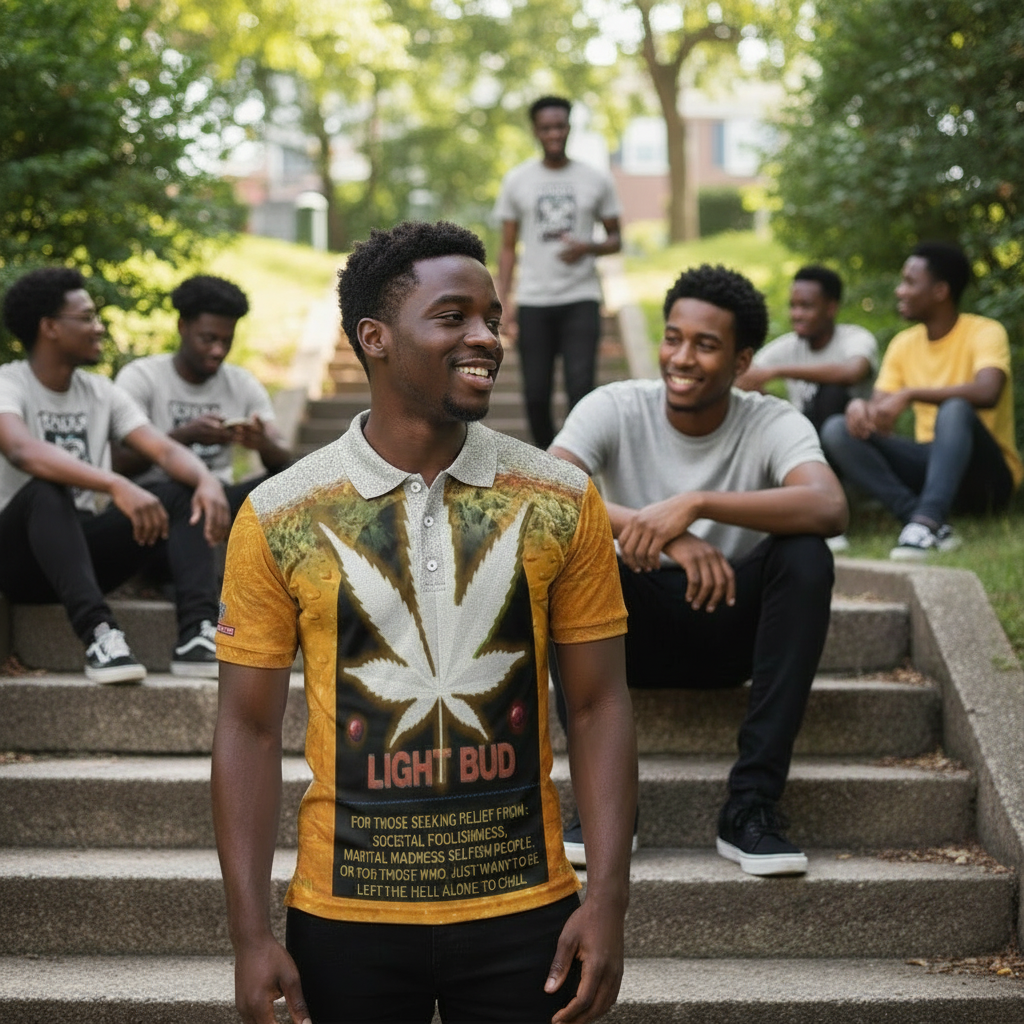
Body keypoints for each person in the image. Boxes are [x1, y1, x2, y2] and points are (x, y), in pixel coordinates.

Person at [212, 221, 637, 1024]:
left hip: (529, 912)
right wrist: (248, 936)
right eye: (454, 317)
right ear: (374, 338)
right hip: (343, 919)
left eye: (494, 318)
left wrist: (607, 898)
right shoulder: (278, 514)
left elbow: (599, 704)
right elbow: (247, 728)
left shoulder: (561, 499)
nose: (486, 337)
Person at [550, 263, 848, 877]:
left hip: (730, 626)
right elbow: (543, 491)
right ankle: (607, 808)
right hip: (631, 633)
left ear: (742, 363)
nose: (681, 357)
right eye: (673, 337)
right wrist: (670, 536)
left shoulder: (770, 420)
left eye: (705, 345)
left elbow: (828, 505)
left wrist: (698, 503)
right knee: (560, 548)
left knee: (806, 553)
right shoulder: (615, 406)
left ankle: (751, 807)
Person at [0, 268, 230, 683]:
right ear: (49, 327)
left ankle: (197, 632)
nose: (98, 327)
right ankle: (100, 635)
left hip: (80, 552)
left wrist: (205, 480)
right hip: (17, 554)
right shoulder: (8, 382)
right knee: (46, 491)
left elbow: (161, 448)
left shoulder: (100, 392)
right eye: (86, 318)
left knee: (178, 493)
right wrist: (114, 482)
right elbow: (20, 449)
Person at [821, 241, 1022, 560]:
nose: (900, 291)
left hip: (987, 480)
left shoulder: (985, 332)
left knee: (955, 408)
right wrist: (860, 409)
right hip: (931, 470)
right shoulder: (903, 344)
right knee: (837, 429)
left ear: (941, 291)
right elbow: (879, 417)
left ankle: (927, 519)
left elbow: (988, 392)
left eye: (910, 282)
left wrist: (911, 393)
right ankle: (920, 519)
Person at [494, 95, 622, 449]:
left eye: (560, 126)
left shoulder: (595, 179)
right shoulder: (517, 180)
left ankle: (578, 463)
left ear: (569, 128)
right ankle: (549, 464)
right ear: (535, 130)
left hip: (581, 297)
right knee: (536, 395)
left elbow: (616, 239)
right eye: (546, 127)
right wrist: (503, 302)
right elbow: (507, 248)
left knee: (581, 390)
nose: (554, 133)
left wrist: (587, 246)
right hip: (535, 300)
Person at [113, 274, 290, 520]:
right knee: (180, 493)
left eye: (226, 341)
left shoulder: (242, 382)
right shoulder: (141, 377)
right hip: (154, 498)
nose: (218, 351)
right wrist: (186, 435)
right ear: (182, 327)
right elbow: (118, 462)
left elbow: (282, 453)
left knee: (292, 477)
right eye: (208, 339)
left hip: (220, 494)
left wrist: (262, 442)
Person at [736, 265, 878, 433]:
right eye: (793, 306)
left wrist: (777, 371)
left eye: (806, 306)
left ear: (831, 308)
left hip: (853, 435)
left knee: (831, 394)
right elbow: (744, 377)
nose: (796, 314)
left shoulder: (856, 338)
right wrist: (765, 397)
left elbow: (853, 372)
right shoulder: (787, 346)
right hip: (804, 431)